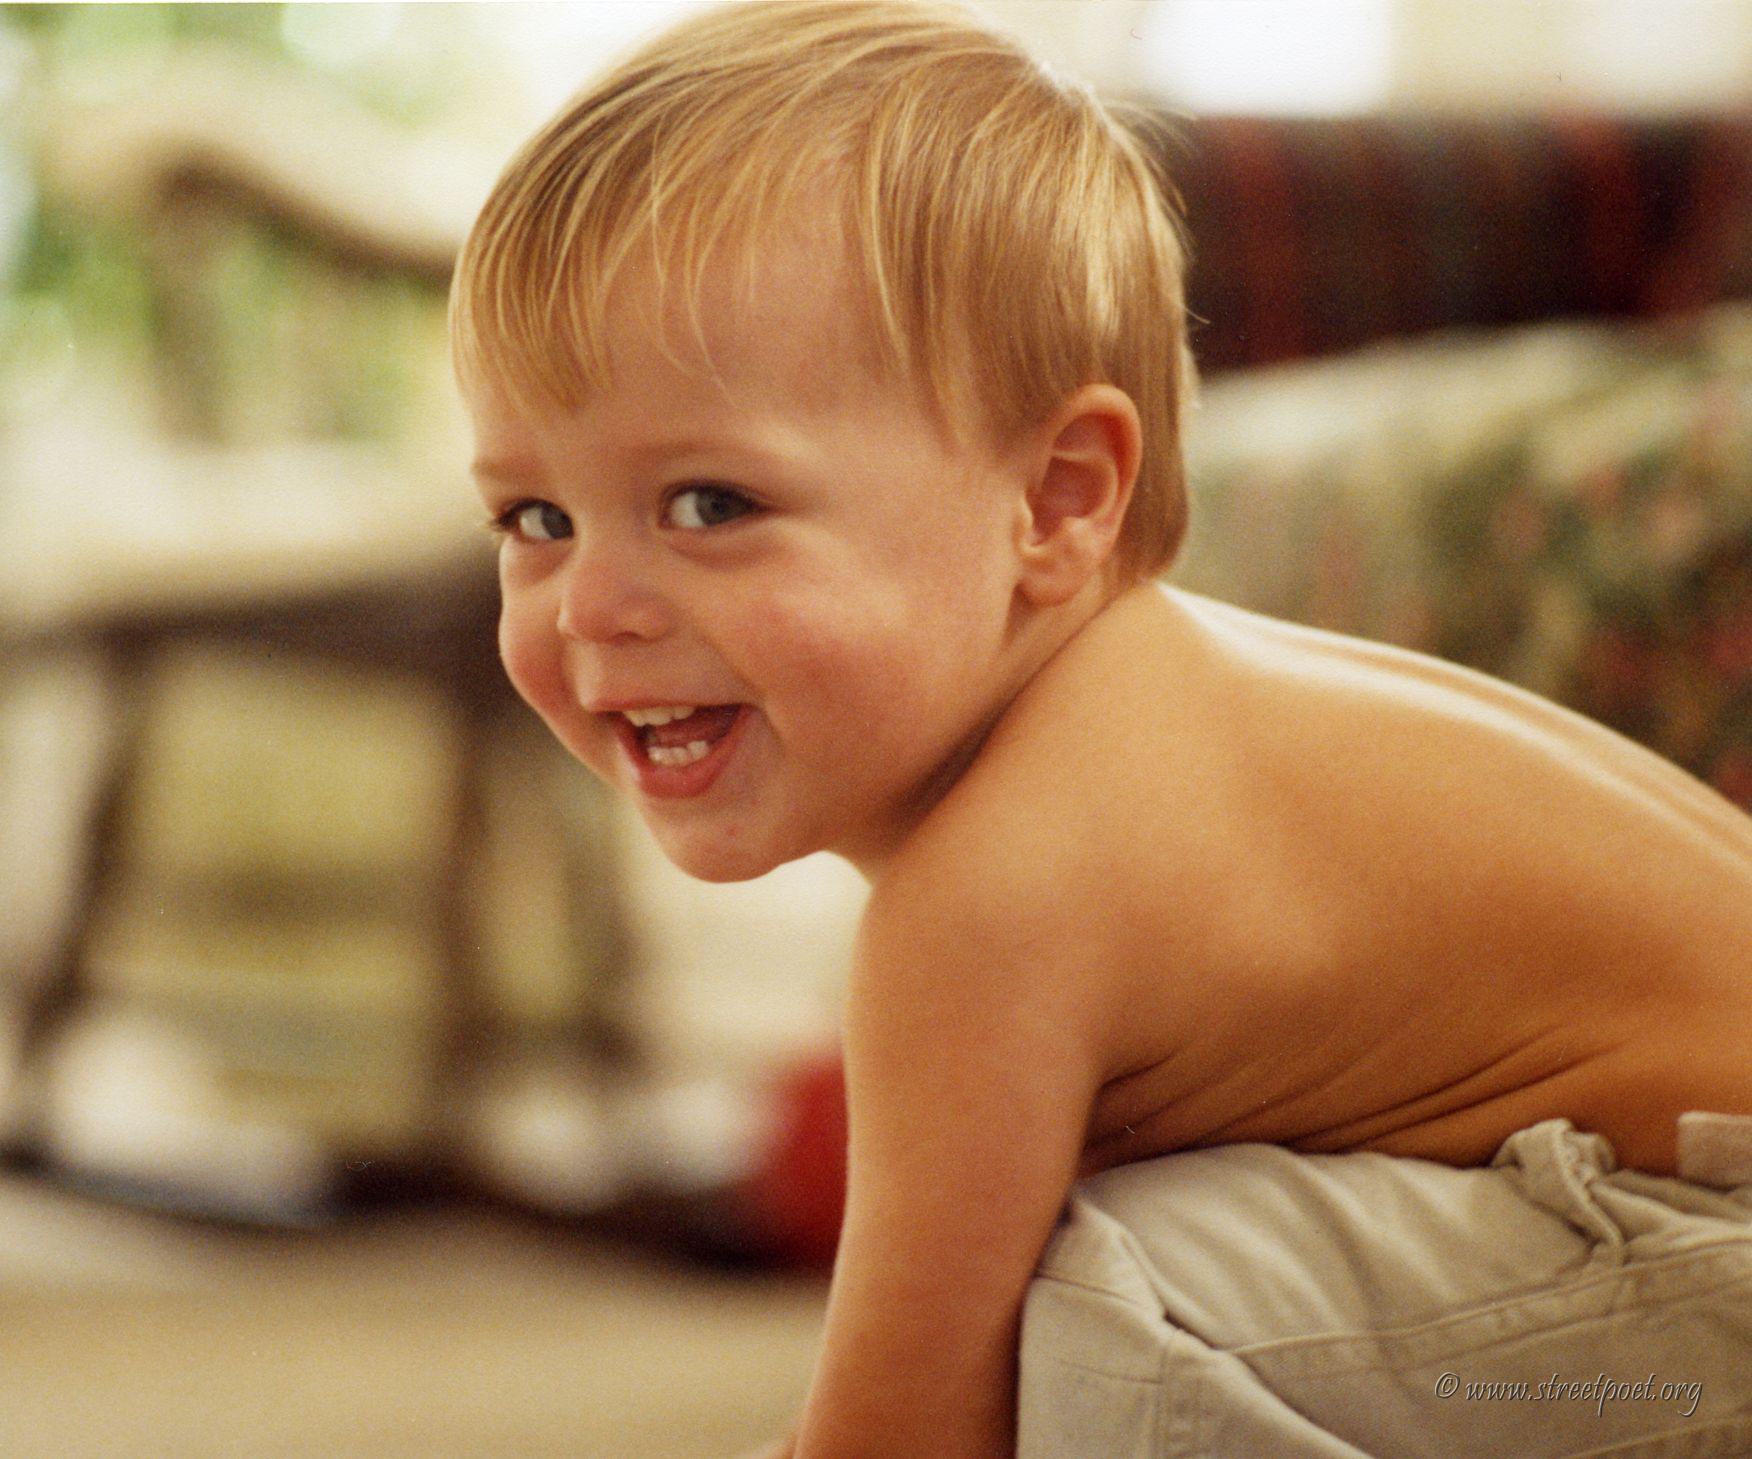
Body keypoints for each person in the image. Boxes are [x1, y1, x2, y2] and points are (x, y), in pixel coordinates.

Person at [447, 2, 1752, 1455]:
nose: (593, 606)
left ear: (1057, 500)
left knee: (1100, 1310)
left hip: (1715, 1278)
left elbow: (900, 1441)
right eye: (536, 519)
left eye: (710, 504)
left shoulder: (994, 902)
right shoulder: (1147, 703)